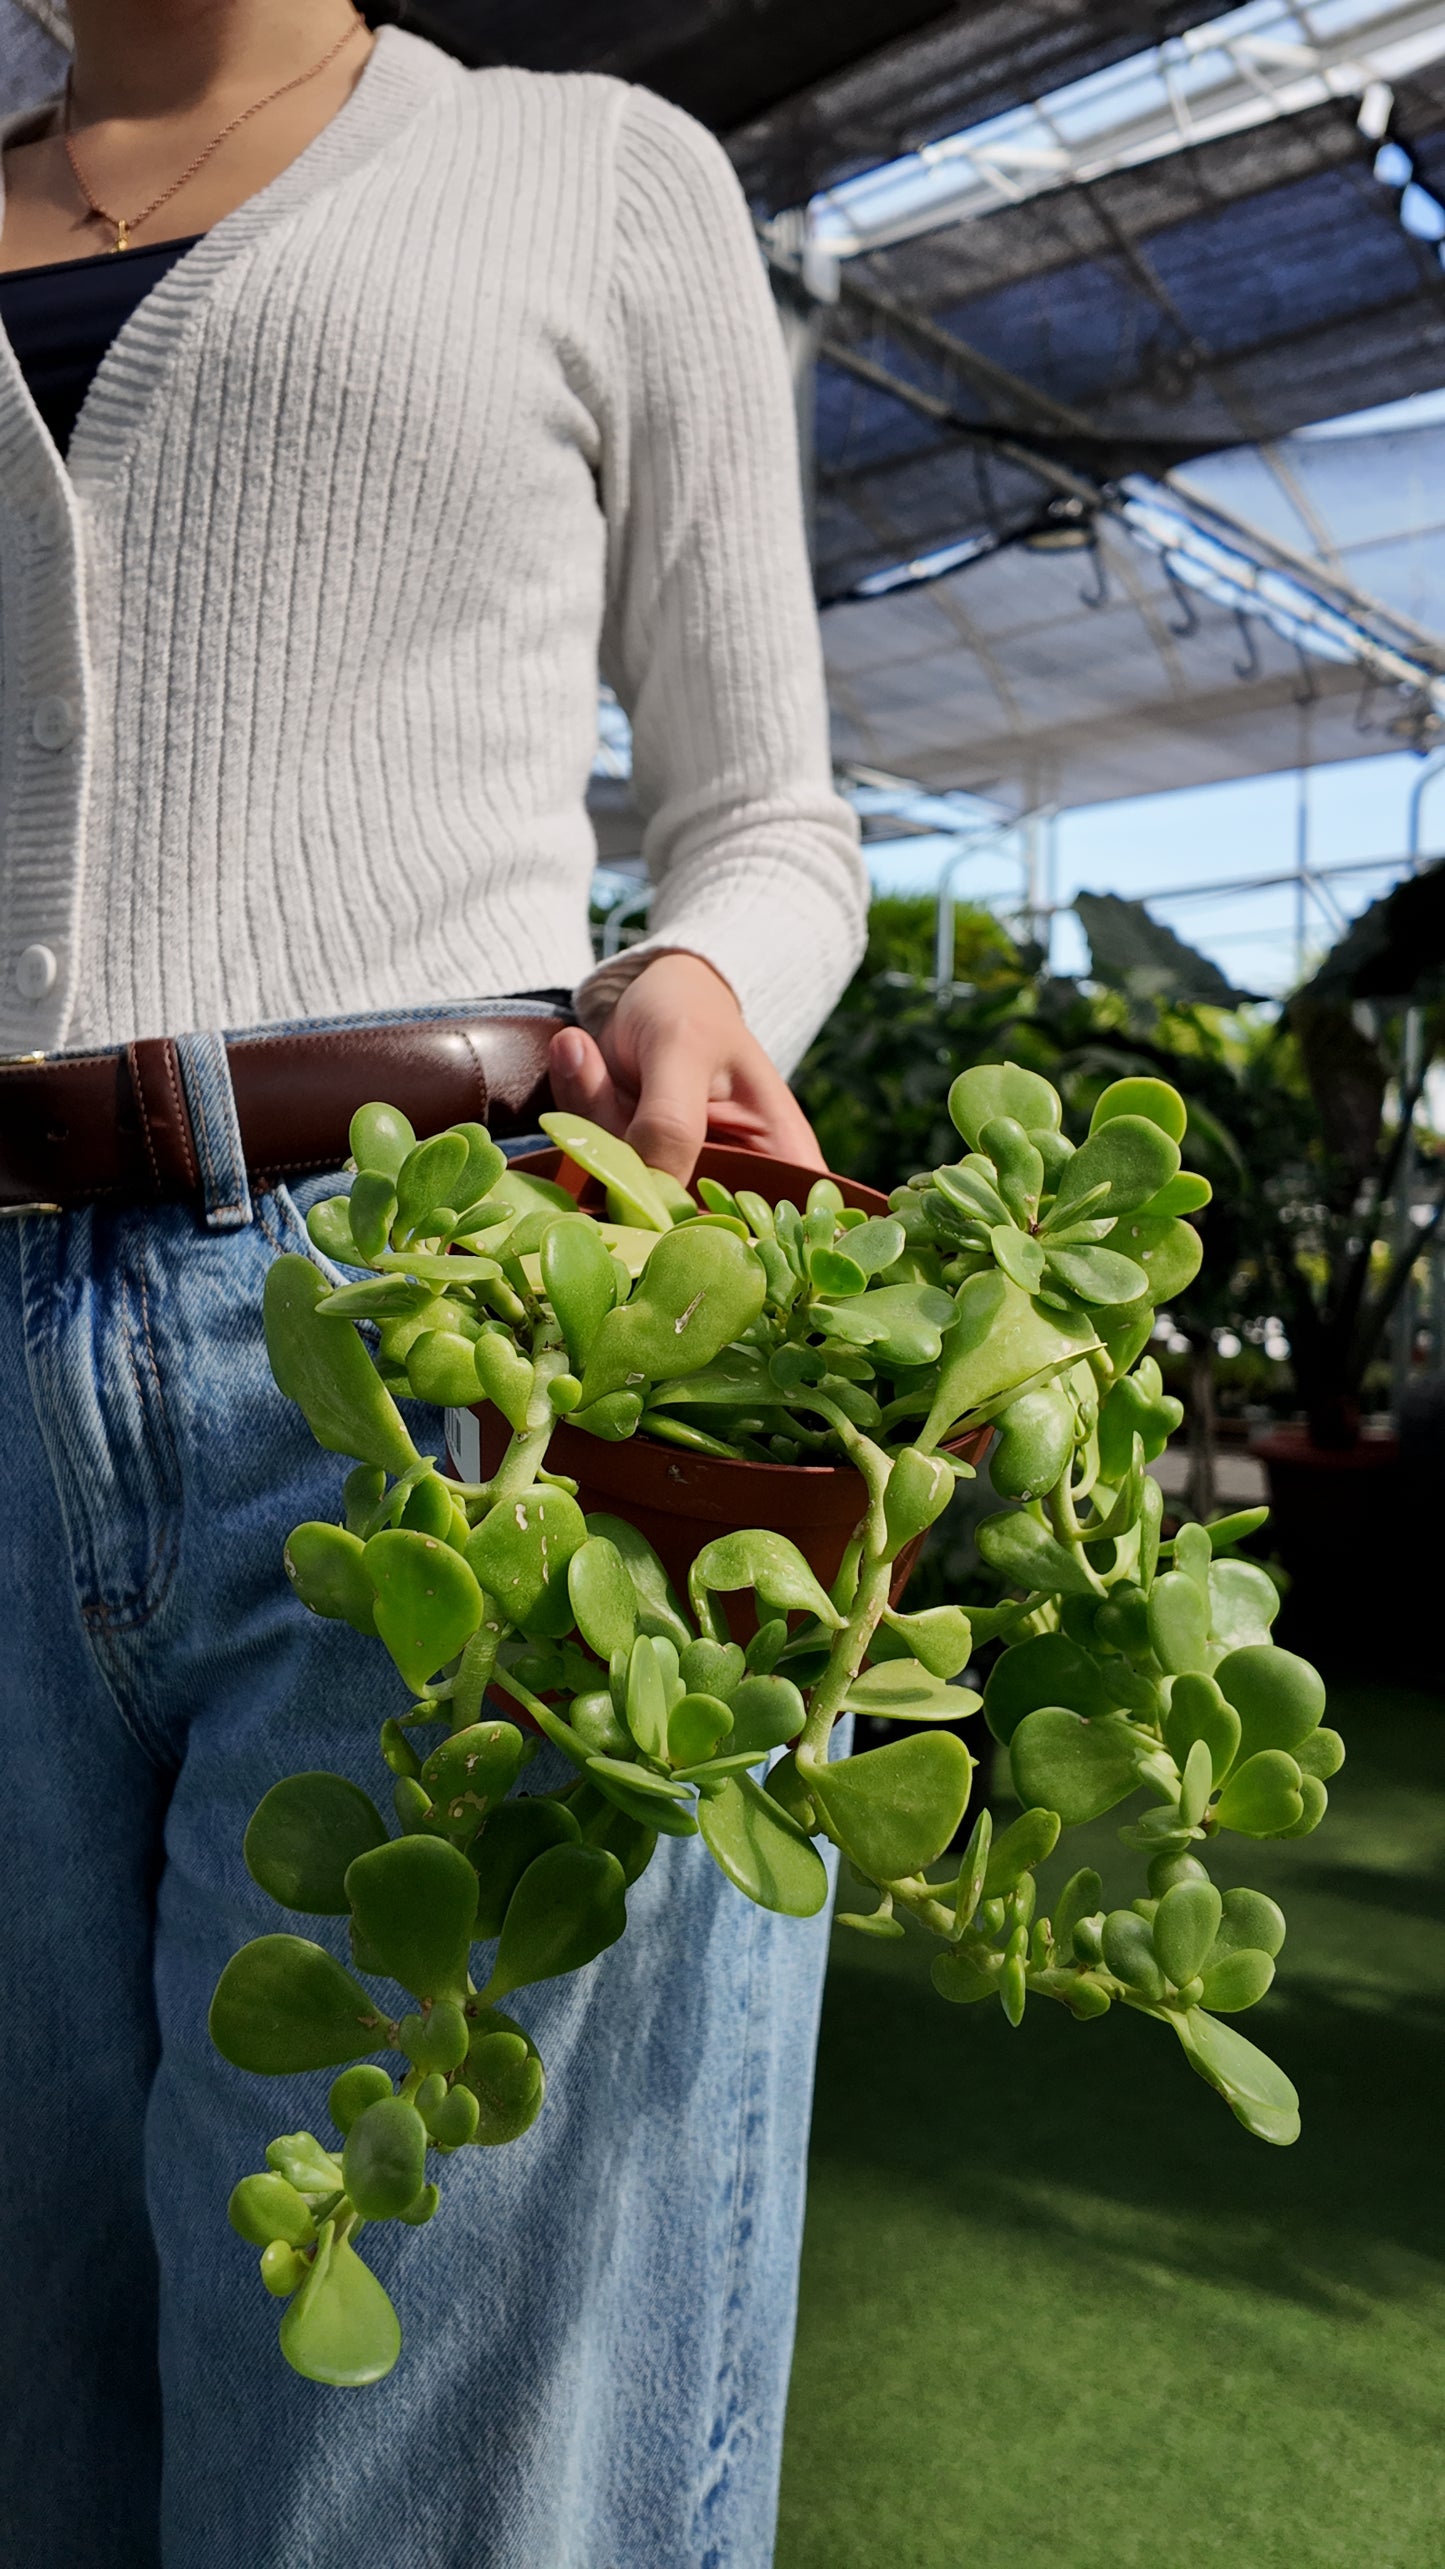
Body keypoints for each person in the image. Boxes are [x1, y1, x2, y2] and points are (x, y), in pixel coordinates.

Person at [0, 5, 867, 2565]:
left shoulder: (589, 172)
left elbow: (770, 817)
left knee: (441, 2472)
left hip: (442, 1348)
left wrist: (695, 992)